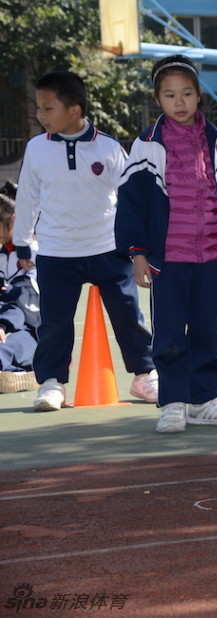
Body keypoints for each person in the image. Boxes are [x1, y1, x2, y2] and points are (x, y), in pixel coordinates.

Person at [116, 55, 217, 433]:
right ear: (158, 100)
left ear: (198, 97)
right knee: (170, 334)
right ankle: (173, 402)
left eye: (187, 93)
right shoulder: (147, 145)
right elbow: (131, 203)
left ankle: (205, 400)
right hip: (169, 260)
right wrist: (138, 254)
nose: (179, 102)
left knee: (209, 331)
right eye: (169, 95)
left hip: (211, 257)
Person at [14, 71, 157, 411]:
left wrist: (139, 246)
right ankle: (51, 383)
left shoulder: (108, 148)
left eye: (48, 108)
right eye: (39, 108)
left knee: (128, 316)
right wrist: (22, 243)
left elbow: (130, 201)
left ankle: (145, 375)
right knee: (54, 323)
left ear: (74, 111)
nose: (40, 115)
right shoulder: (36, 149)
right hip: (56, 253)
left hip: (109, 251)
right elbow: (28, 198)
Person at [0, 194, 40, 393]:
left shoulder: (34, 252)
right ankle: (13, 372)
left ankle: (18, 372)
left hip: (33, 331)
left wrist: (15, 293)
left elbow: (39, 307)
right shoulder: (1, 254)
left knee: (3, 346)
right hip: (6, 322)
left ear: (13, 220)